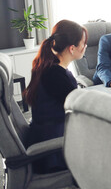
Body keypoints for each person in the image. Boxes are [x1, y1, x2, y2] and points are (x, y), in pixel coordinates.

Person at [24, 20, 88, 173]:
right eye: (84, 43)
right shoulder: (55, 75)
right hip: (52, 150)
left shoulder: (50, 67)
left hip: (50, 135)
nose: (86, 46)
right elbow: (79, 108)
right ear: (72, 48)